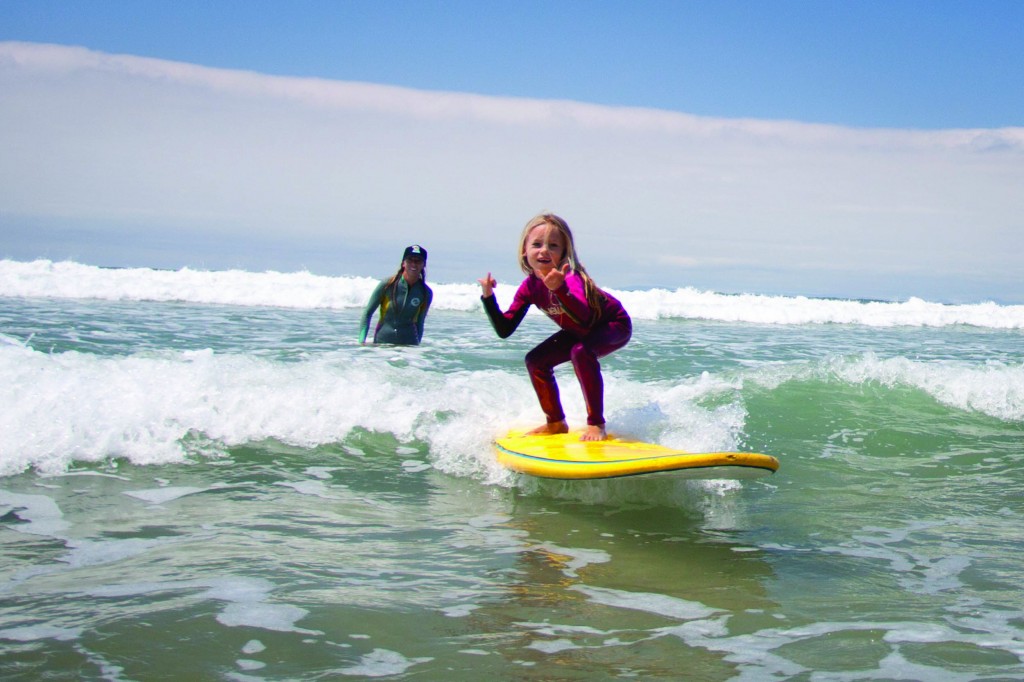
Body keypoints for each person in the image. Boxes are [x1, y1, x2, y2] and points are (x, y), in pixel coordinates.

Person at [478, 214, 631, 441]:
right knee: (535, 361)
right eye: (537, 245)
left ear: (563, 253)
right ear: (524, 250)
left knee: (581, 352)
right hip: (579, 330)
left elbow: (585, 318)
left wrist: (560, 289)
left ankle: (596, 424)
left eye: (553, 245)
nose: (544, 251)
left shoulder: (570, 278)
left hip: (613, 325)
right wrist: (488, 297)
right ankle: (555, 422)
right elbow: (505, 329)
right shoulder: (530, 286)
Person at [359, 244, 433, 345]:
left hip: (410, 347)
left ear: (423, 265)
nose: (414, 264)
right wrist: (361, 340)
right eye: (410, 260)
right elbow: (367, 313)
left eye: (418, 261)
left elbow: (420, 322)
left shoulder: (425, 292)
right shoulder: (387, 284)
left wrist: (417, 346)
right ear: (403, 263)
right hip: (382, 344)